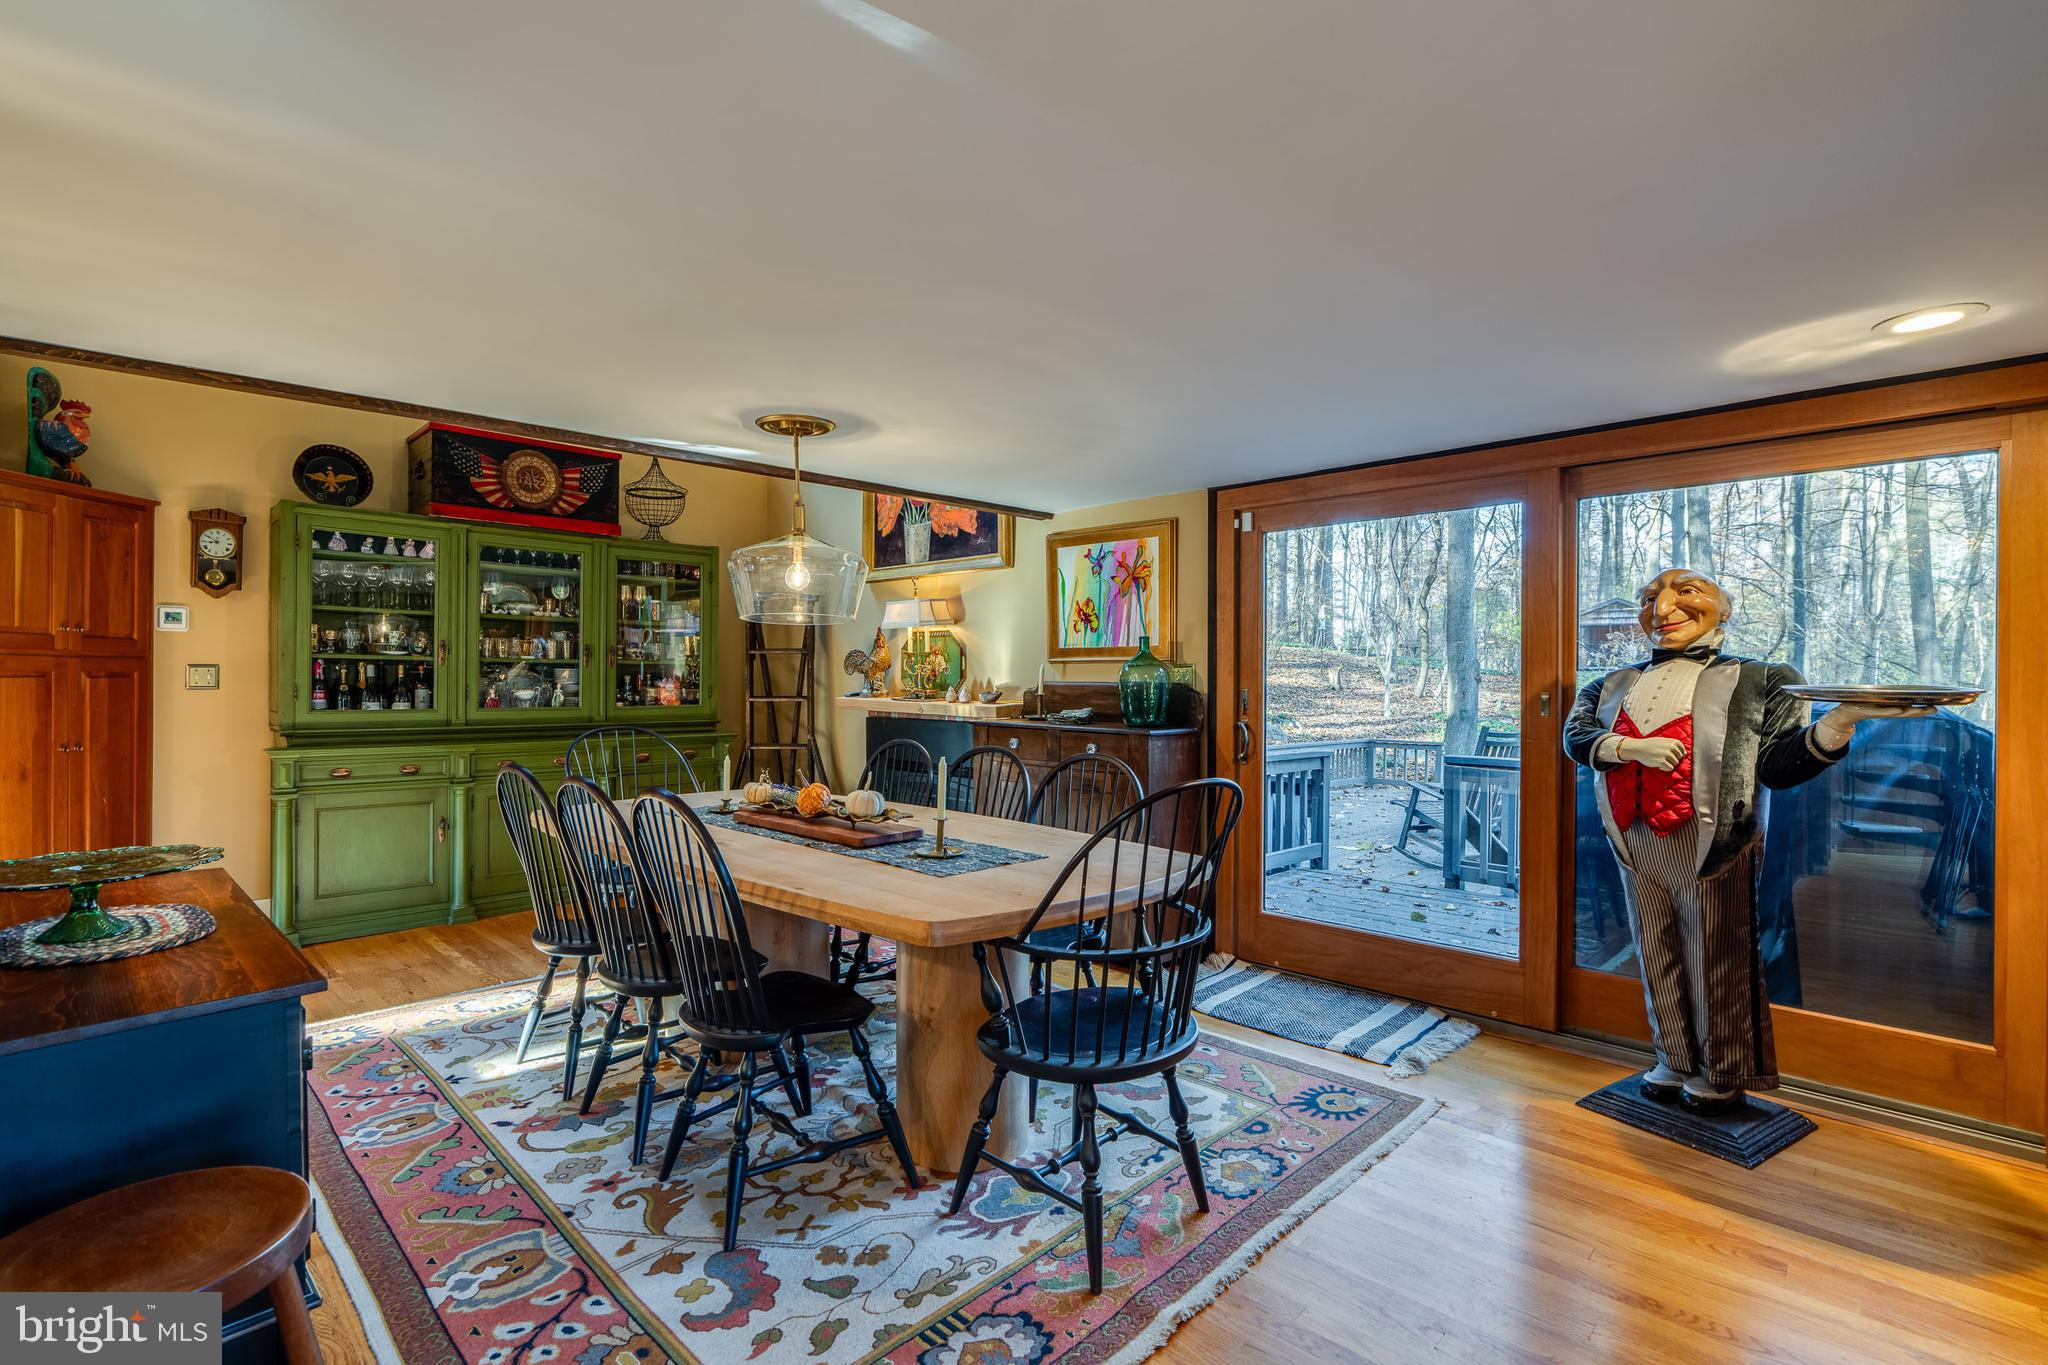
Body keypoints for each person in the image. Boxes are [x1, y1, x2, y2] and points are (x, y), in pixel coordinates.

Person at [1563, 568, 1930, 1114]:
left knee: (1717, 952)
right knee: (1655, 948)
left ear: (1724, 607)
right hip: (1633, 838)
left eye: (1685, 592)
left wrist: (1843, 719)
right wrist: (1627, 749)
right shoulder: (1610, 684)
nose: (1662, 608)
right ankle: (1672, 1055)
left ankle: (1723, 1066)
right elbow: (1577, 737)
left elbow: (1780, 766)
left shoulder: (1765, 680)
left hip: (1714, 841)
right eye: (1649, 598)